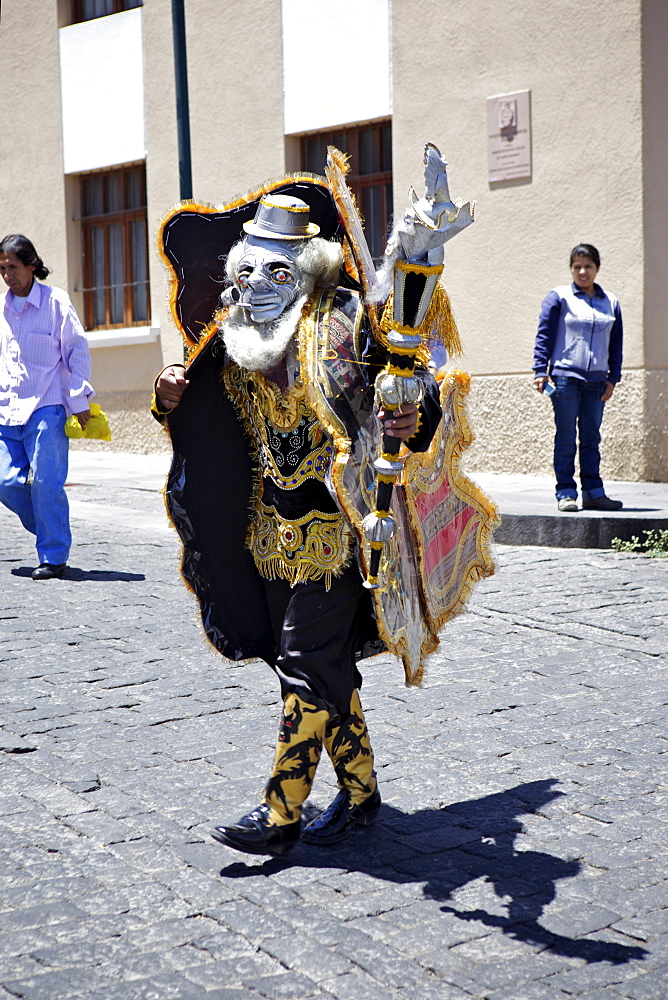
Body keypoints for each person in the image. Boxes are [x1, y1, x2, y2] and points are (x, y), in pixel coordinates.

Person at [153, 147, 494, 857]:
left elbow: (415, 380)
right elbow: (204, 417)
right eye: (248, 271)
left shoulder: (347, 323)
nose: (256, 285)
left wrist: (409, 411)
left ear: (305, 269)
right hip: (268, 532)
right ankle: (364, 795)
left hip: (344, 527)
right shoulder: (234, 329)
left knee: (306, 662)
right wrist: (170, 398)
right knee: (315, 664)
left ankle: (281, 813)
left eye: (275, 272)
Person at [0, 234, 94, 579]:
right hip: (5, 410)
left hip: (46, 406)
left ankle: (53, 556)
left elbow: (76, 351)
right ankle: (50, 529)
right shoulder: (1, 309)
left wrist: (78, 398)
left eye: (13, 267)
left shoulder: (56, 303)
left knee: (45, 483)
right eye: (2, 268)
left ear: (32, 266)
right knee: (5, 482)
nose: (7, 274)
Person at [533, 243, 623, 512]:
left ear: (597, 268)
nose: (582, 272)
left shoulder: (611, 302)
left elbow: (615, 344)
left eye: (588, 266)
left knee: (591, 438)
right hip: (565, 378)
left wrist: (613, 378)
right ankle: (566, 493)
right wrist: (540, 371)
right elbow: (544, 336)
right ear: (571, 269)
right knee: (566, 437)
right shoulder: (559, 297)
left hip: (597, 382)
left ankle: (594, 493)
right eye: (577, 267)